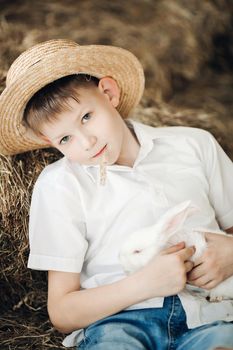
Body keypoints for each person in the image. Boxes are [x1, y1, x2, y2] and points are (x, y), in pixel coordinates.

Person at [0, 39, 233, 350]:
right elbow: (62, 311)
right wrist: (143, 285)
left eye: (86, 117)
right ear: (48, 140)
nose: (86, 142)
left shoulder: (194, 145)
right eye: (66, 138)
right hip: (118, 323)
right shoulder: (59, 186)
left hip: (212, 313)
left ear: (108, 93)